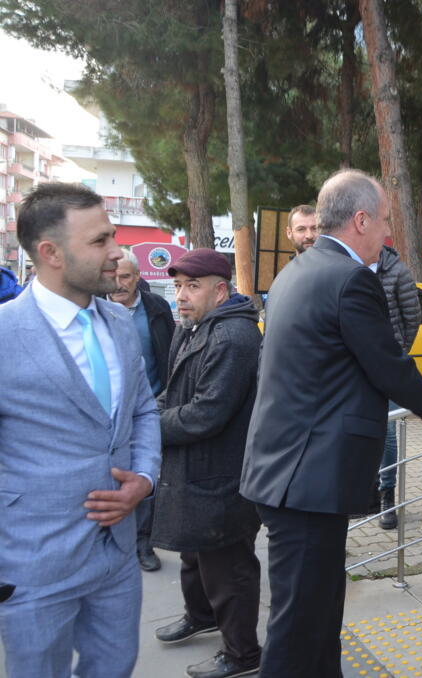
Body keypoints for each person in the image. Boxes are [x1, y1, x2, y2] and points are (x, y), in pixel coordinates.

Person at [240, 169, 422, 678]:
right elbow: (386, 361)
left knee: (320, 610)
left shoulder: (297, 271)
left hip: (291, 471)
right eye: (384, 220)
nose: (388, 232)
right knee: (297, 625)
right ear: (360, 220)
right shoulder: (351, 278)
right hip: (308, 478)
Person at [0, 182, 161, 678]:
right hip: (33, 564)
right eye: (99, 241)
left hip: (116, 557)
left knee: (114, 667)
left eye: (112, 236)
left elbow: (143, 410)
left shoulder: (118, 321)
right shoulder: (5, 335)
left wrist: (144, 477)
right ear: (51, 253)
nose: (116, 252)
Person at [149, 249, 263, 678]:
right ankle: (201, 616)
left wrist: (147, 425)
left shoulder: (233, 337)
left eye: (192, 287)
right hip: (195, 470)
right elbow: (174, 393)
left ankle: (243, 654)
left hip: (223, 476)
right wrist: (150, 412)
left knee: (228, 569)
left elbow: (207, 414)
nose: (180, 295)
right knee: (195, 555)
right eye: (178, 286)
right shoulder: (194, 327)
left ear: (220, 291)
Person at [109, 249, 174, 572]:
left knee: (145, 475)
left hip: (149, 407)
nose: (119, 284)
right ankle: (112, 541)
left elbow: (170, 353)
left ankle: (143, 542)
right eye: (114, 276)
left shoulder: (156, 308)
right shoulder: (94, 308)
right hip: (108, 413)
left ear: (137, 277)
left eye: (125, 277)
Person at [376, 243, 422, 529]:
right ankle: (365, 490)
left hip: (389, 365)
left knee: (389, 431)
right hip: (354, 366)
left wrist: (399, 352)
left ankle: (387, 495)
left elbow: (412, 317)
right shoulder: (347, 264)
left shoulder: (397, 270)